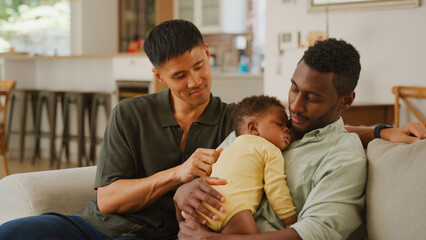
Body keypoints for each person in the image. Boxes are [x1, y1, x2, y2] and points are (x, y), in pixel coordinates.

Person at [0, 19, 425, 240]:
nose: (195, 82)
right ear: (158, 76)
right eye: (180, 75)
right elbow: (108, 200)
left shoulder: (238, 119)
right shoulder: (132, 114)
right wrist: (179, 178)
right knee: (18, 232)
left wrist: (380, 130)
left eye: (199, 66)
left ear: (207, 55)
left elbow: (312, 130)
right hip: (95, 227)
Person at [174, 38, 426, 240]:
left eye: (311, 98)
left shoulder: (342, 157)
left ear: (346, 101)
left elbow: (314, 233)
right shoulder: (264, 125)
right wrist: (183, 193)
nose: (294, 106)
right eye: (294, 88)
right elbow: (208, 176)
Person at [177, 95, 297, 234]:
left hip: (203, 204)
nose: (286, 129)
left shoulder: (226, 148)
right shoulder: (269, 149)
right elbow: (275, 187)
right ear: (253, 127)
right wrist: (290, 219)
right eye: (279, 124)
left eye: (287, 126)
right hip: (234, 209)